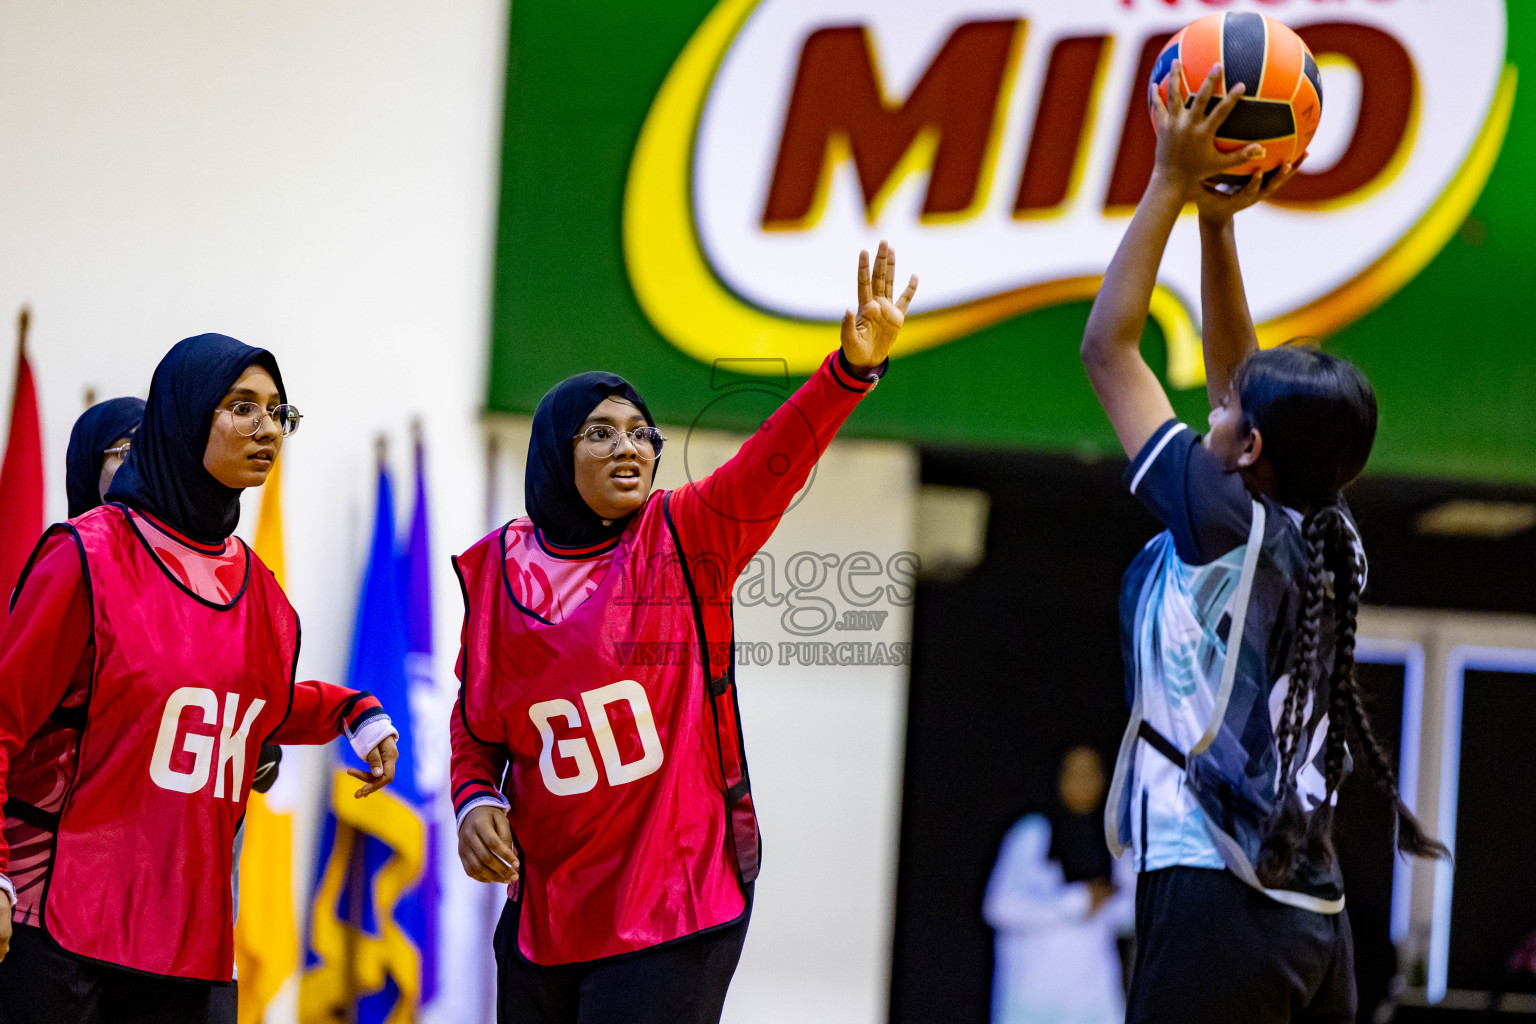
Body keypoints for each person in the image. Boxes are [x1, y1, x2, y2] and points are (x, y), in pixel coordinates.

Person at [450, 243, 917, 1023]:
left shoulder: (685, 535)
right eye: (600, 433)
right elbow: (475, 729)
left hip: (675, 900)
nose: (629, 446)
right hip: (546, 910)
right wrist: (471, 802)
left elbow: (773, 461)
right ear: (552, 453)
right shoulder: (495, 569)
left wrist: (849, 371)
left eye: (641, 432)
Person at [1080, 64, 1448, 1023]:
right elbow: (1246, 381)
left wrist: (1169, 180)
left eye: (1231, 407)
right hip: (1310, 915)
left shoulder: (1221, 522)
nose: (1219, 396)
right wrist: (1218, 218)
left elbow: (1109, 351)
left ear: (1249, 450)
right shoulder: (1330, 529)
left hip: (1218, 898)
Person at [0, 333, 401, 1023]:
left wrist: (350, 712)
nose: (267, 428)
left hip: (195, 947)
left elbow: (247, 711)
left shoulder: (266, 597)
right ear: (184, 416)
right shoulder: (85, 555)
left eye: (279, 412)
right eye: (242, 407)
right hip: (63, 932)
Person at [984, 746, 1133, 1024]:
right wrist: (1078, 900)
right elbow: (999, 906)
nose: (1083, 781)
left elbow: (1135, 913)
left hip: (1093, 1005)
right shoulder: (1032, 832)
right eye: (1074, 772)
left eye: (1091, 772)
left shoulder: (1116, 842)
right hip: (1031, 1006)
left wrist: (1107, 903)